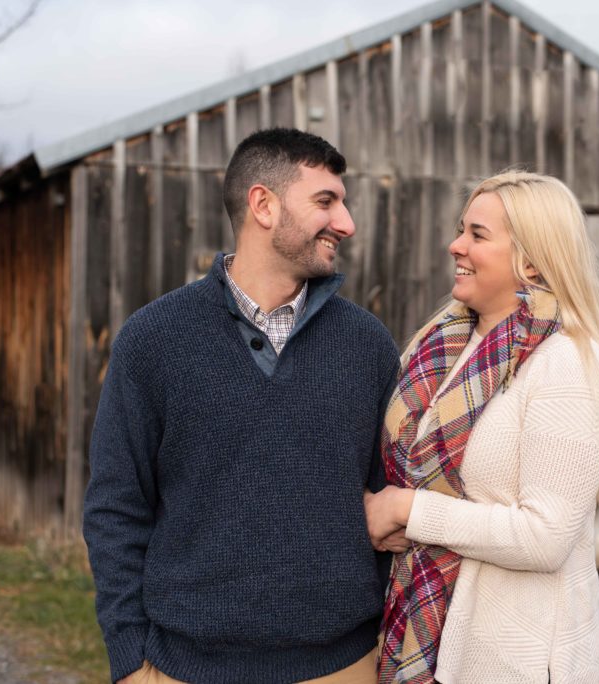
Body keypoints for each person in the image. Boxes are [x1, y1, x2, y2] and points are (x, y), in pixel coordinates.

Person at [83, 128, 401, 684]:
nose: (346, 223)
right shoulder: (153, 340)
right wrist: (130, 661)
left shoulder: (368, 346)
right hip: (184, 669)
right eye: (326, 202)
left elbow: (388, 502)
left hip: (342, 668)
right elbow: (115, 510)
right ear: (264, 205)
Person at [365, 171, 599, 683]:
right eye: (461, 229)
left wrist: (407, 509)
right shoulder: (442, 348)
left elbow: (545, 537)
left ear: (530, 259)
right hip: (429, 634)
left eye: (477, 235)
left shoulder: (569, 363)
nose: (455, 245)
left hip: (515, 662)